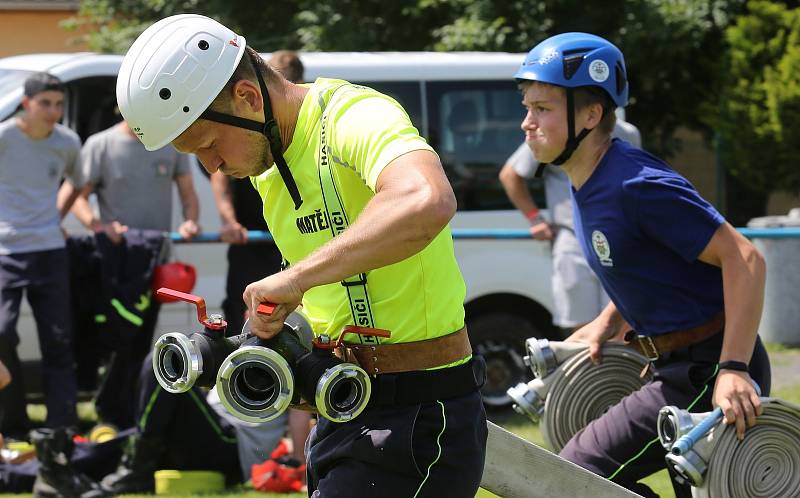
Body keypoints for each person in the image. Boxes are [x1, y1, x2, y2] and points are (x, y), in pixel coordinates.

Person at [117, 13, 487, 498]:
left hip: (419, 412)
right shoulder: (269, 173)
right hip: (342, 409)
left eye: (208, 145)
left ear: (247, 98)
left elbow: (426, 200)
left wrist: (295, 281)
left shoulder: (354, 113)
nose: (213, 167)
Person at [513, 32, 771, 497]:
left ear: (591, 116)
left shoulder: (636, 184)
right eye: (528, 107)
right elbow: (645, 263)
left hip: (707, 369)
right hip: (672, 366)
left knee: (570, 477)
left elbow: (744, 258)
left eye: (543, 108)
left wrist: (735, 366)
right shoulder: (585, 180)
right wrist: (607, 321)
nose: (527, 123)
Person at [209, 47, 311, 487]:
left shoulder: (297, 133)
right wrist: (228, 220)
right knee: (252, 343)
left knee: (301, 349)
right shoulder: (245, 149)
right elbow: (217, 169)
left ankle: (297, 450)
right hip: (253, 249)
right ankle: (269, 448)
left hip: (289, 254)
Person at [57, 118, 200, 429]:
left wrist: (190, 221)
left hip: (153, 263)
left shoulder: (169, 139)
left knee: (140, 340)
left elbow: (189, 193)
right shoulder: (100, 144)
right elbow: (77, 195)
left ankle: (121, 412)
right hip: (115, 265)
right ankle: (111, 409)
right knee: (116, 336)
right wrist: (97, 226)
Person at [0, 73, 84, 437]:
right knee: (2, 333)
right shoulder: (3, 137)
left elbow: (77, 182)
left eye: (59, 104)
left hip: (50, 250)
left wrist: (55, 217)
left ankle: (61, 427)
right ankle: (13, 424)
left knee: (58, 340)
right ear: (26, 104)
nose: (54, 111)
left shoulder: (67, 142)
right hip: (5, 251)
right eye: (46, 103)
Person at [499, 120, 641, 334]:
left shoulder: (629, 132)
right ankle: (590, 367)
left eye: (542, 107)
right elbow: (510, 175)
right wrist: (535, 219)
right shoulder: (554, 128)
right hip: (573, 240)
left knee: (624, 328)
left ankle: (620, 367)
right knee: (580, 332)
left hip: (619, 241)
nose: (528, 122)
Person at [99, 351, 293, 495]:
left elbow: (300, 415)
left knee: (164, 358)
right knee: (102, 452)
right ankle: (81, 465)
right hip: (208, 432)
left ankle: (137, 469)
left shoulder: (290, 359)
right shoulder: (240, 346)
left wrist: (300, 467)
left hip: (231, 446)